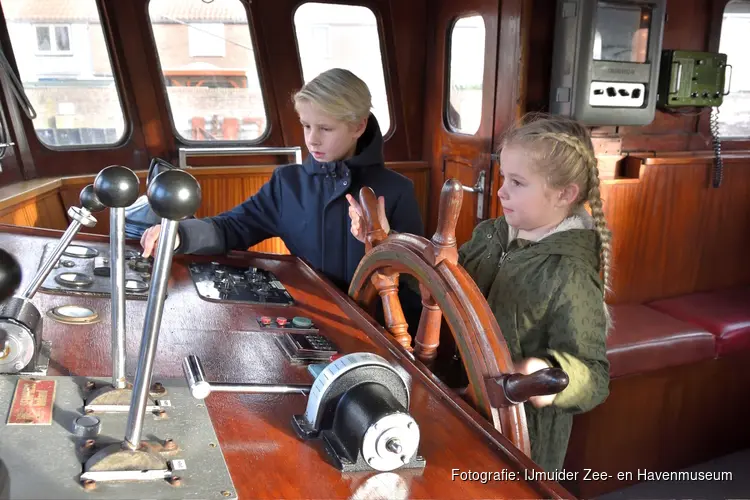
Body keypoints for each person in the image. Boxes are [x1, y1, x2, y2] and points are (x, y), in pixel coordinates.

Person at [348, 112, 612, 472]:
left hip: (519, 437)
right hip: (455, 399)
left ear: (564, 194)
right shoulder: (492, 233)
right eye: (504, 177)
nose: (501, 190)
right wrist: (384, 245)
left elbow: (595, 377)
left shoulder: (570, 274)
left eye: (518, 182)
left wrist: (549, 374)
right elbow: (440, 287)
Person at [140, 68, 424, 293]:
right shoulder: (287, 184)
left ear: (358, 126)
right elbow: (232, 227)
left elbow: (418, 284)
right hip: (312, 317)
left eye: (325, 128)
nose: (312, 139)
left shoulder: (396, 191)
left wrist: (389, 242)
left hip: (378, 335)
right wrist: (179, 235)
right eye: (306, 126)